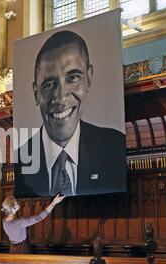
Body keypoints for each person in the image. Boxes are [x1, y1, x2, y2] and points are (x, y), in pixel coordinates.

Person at [15, 30, 127, 198]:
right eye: (49, 84)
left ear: (89, 78)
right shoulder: (21, 159)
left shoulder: (113, 147)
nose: (60, 98)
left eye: (73, 78)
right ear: (35, 93)